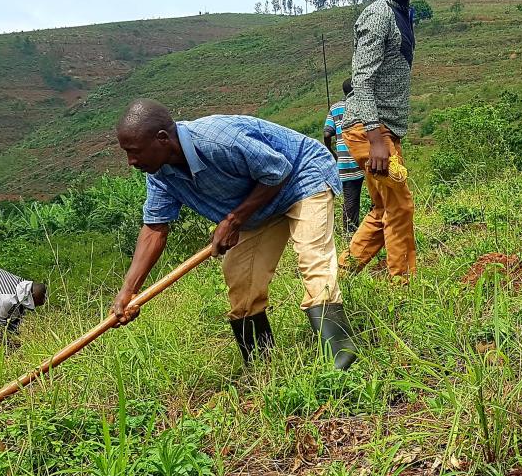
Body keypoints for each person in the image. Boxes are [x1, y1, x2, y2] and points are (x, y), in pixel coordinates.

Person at [111, 99, 358, 371]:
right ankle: (262, 365)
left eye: (134, 152)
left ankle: (342, 361)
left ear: (162, 139)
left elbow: (279, 170)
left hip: (301, 176)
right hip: (258, 203)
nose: (131, 162)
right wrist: (128, 291)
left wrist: (233, 219)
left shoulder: (218, 140)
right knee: (240, 279)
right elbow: (155, 228)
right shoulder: (159, 174)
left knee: (313, 259)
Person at [339, 0, 419, 281]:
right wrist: (376, 139)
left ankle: (344, 271)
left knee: (382, 208)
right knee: (400, 206)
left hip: (383, 128)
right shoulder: (378, 15)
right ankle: (403, 281)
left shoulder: (403, 12)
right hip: (369, 129)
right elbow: (362, 79)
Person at [324, 79, 368, 236]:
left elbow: (327, 133)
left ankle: (350, 236)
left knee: (350, 202)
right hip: (366, 159)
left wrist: (331, 152)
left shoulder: (335, 108)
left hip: (344, 163)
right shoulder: (362, 104)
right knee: (378, 198)